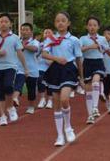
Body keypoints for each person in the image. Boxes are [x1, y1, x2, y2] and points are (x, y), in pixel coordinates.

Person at [42, 12, 83, 146]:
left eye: (63, 20)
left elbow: (78, 59)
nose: (60, 23)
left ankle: (68, 127)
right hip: (55, 69)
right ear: (55, 24)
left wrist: (81, 77)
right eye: (57, 21)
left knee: (64, 99)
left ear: (68, 23)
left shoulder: (74, 40)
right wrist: (56, 59)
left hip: (69, 69)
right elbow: (44, 54)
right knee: (56, 104)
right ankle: (60, 135)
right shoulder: (50, 39)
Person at [0, 13, 27, 126]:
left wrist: (25, 68)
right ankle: (2, 116)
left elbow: (20, 53)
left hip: (11, 66)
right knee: (0, 92)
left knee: (8, 86)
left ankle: (10, 108)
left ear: (10, 24)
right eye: (1, 21)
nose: (3, 23)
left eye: (6, 21)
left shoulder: (14, 38)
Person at [79, 16, 110, 124]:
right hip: (87, 63)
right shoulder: (83, 39)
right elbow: (79, 50)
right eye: (90, 25)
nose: (92, 27)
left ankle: (95, 107)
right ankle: (90, 115)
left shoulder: (102, 39)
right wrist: (90, 47)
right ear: (87, 26)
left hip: (98, 62)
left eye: (94, 25)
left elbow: (108, 50)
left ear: (98, 27)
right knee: (88, 91)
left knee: (96, 80)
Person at [17, 23, 40, 114]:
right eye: (23, 29)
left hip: (32, 70)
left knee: (31, 89)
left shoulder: (35, 42)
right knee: (17, 87)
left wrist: (24, 46)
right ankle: (15, 104)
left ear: (31, 32)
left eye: (27, 30)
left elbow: (35, 49)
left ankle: (31, 106)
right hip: (19, 69)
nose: (24, 32)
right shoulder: (17, 41)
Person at [37, 29, 54, 109]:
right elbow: (36, 54)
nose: (47, 34)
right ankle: (42, 98)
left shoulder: (55, 44)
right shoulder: (40, 44)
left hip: (51, 66)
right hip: (41, 66)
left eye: (49, 32)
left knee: (50, 83)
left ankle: (50, 100)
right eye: (45, 32)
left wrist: (52, 60)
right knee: (40, 80)